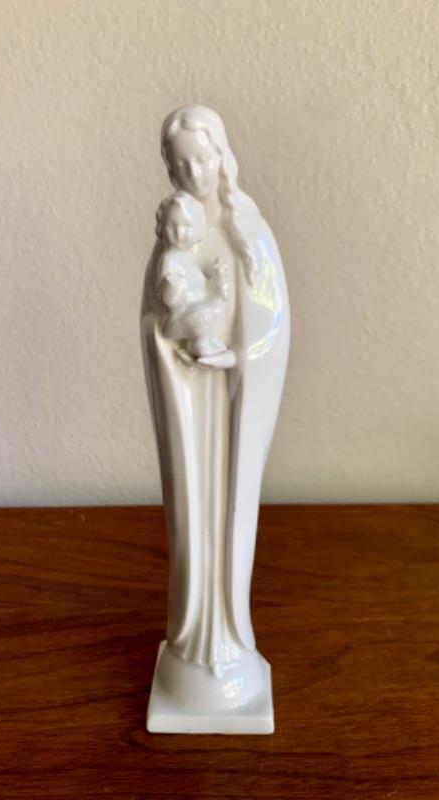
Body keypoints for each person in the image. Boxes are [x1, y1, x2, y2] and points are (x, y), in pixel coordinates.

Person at [141, 105, 290, 711]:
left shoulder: (248, 229)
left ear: (221, 155)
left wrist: (238, 357)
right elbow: (155, 321)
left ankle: (228, 641)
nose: (193, 173)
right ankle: (190, 640)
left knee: (231, 509)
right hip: (189, 405)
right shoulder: (173, 234)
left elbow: (272, 324)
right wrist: (174, 346)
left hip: (231, 408)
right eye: (180, 165)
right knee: (190, 512)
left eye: (201, 159)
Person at [154, 191, 231, 359]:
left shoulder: (191, 259)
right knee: (203, 315)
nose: (179, 232)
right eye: (172, 226)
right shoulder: (169, 259)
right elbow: (167, 299)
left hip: (193, 312)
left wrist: (218, 277)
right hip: (177, 318)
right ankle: (198, 344)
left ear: (198, 230)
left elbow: (204, 288)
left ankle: (209, 339)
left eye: (187, 226)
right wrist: (171, 285)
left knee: (217, 306)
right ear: (162, 227)